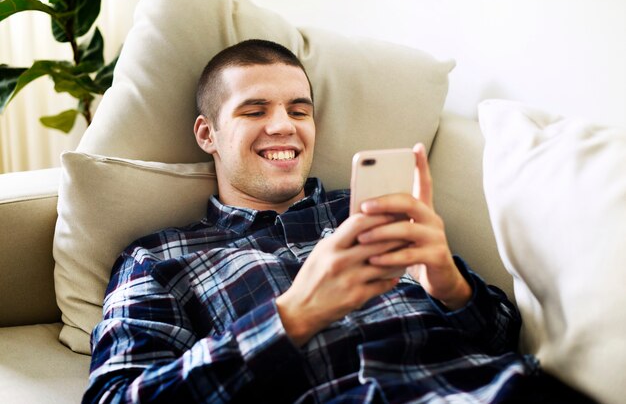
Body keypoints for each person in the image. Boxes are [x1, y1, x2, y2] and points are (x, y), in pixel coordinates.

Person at [83, 40, 593, 403]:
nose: (283, 125)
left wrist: (452, 285)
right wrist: (294, 316)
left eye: (298, 111)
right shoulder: (159, 258)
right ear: (207, 134)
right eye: (254, 110)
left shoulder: (376, 208)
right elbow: (115, 395)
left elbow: (509, 338)